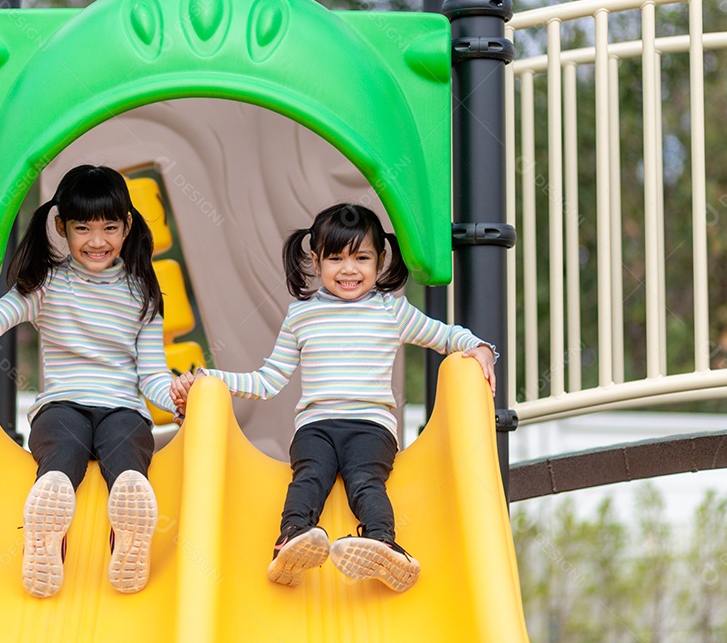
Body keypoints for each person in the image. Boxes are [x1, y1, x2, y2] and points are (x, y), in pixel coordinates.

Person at [171, 203, 496, 593]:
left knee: (365, 481)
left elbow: (444, 336)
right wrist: (209, 378)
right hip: (316, 426)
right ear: (315, 260)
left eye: (362, 258)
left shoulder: (392, 311)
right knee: (309, 477)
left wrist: (479, 347)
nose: (349, 269)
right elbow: (269, 380)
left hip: (371, 427)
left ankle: (383, 545)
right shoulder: (301, 315)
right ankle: (292, 541)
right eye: (336, 258)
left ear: (380, 260)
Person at [0, 164, 174, 598]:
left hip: (123, 409)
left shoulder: (143, 294)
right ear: (61, 226)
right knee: (62, 447)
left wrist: (178, 397)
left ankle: (129, 530)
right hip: (61, 405)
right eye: (82, 228)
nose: (97, 241)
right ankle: (49, 527)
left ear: (128, 226)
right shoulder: (48, 284)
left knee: (128, 450)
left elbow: (153, 377)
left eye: (110, 228)